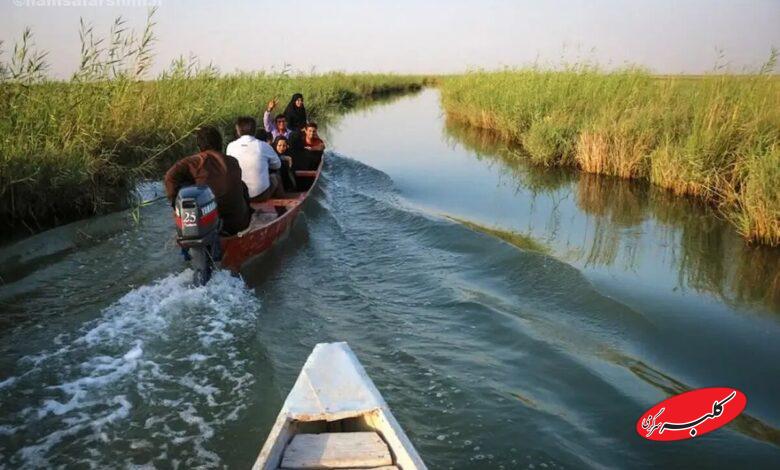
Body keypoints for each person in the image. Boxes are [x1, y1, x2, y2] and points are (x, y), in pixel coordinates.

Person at [164, 126, 251, 235]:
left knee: (185, 187)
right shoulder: (233, 161)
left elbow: (169, 177)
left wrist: (175, 206)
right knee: (242, 185)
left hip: (208, 225)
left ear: (199, 146)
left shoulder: (195, 161)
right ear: (220, 143)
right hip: (238, 224)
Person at [226, 117, 281, 202]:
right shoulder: (263, 146)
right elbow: (277, 165)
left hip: (239, 195)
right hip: (260, 195)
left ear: (238, 130)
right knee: (275, 177)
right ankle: (283, 211)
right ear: (254, 130)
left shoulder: (230, 146)